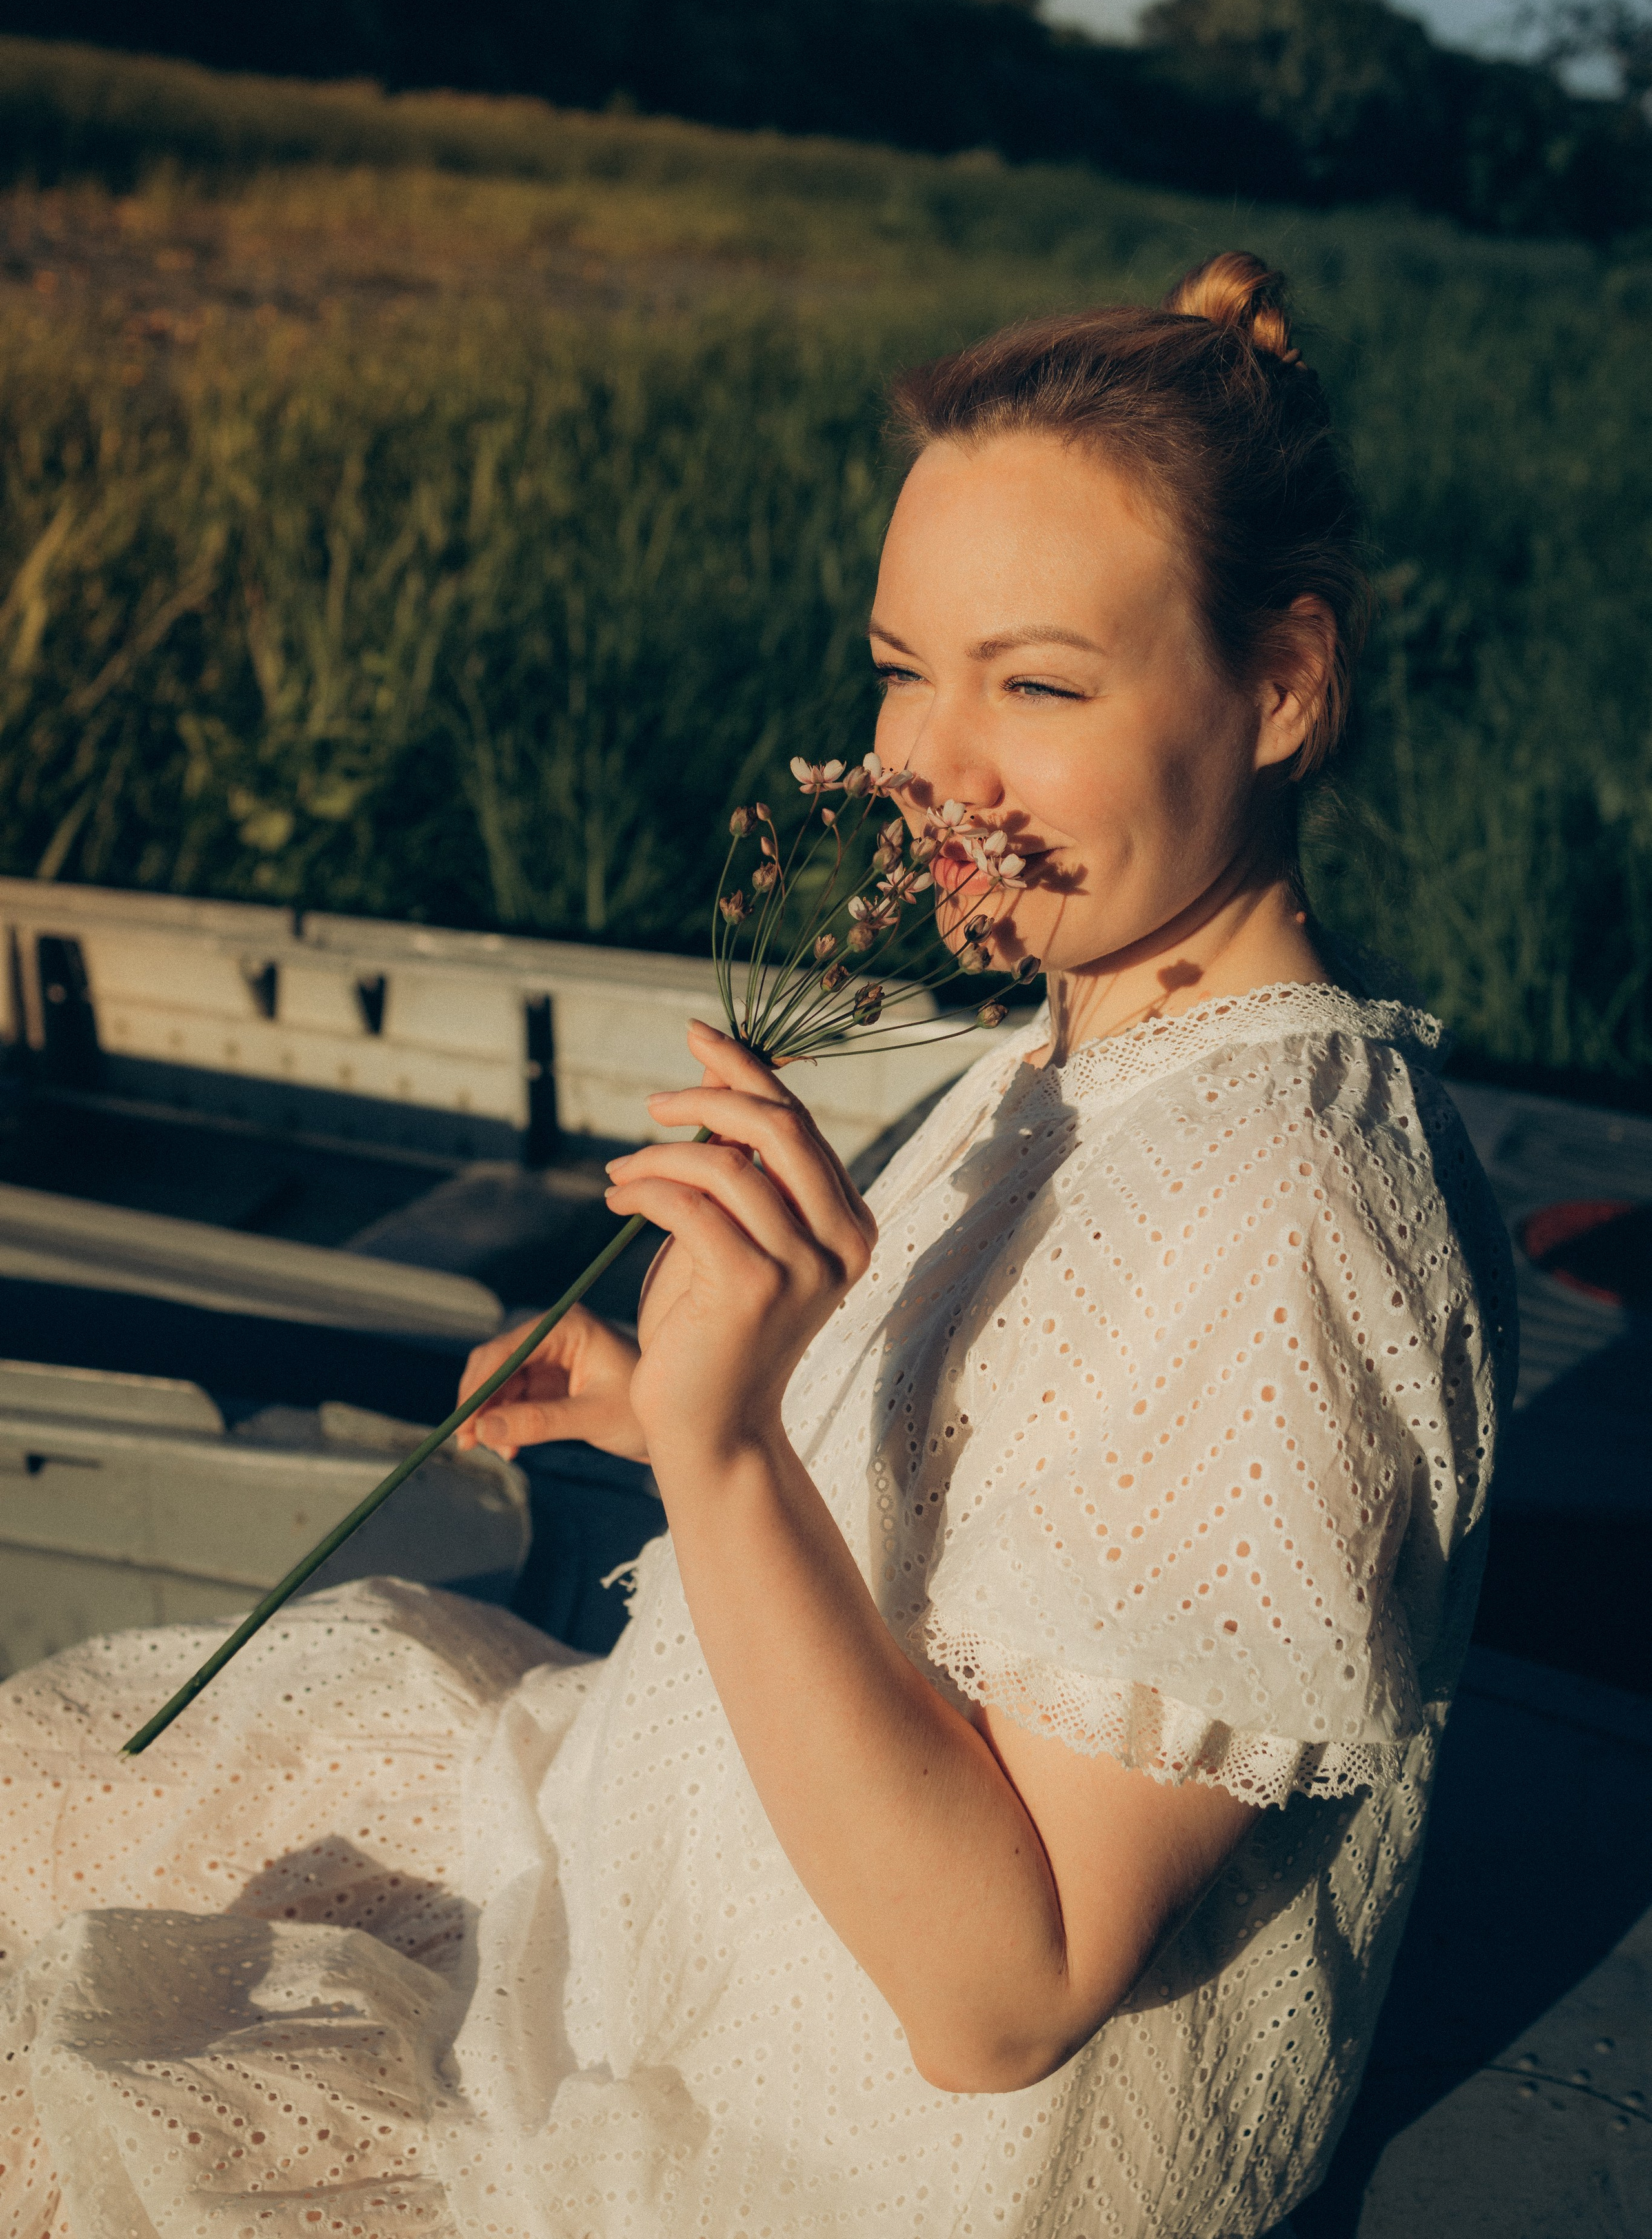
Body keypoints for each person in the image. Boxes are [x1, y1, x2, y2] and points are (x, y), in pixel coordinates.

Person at [0, 254, 1513, 2239]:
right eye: (905, 664)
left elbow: (1002, 1996)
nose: (936, 769)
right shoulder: (1078, 1037)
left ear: (1287, 683)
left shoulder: (1289, 1219)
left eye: (1039, 684)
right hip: (659, 1872)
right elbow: (999, 1530)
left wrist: (726, 1459)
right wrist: (661, 1409)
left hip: (817, 2139)